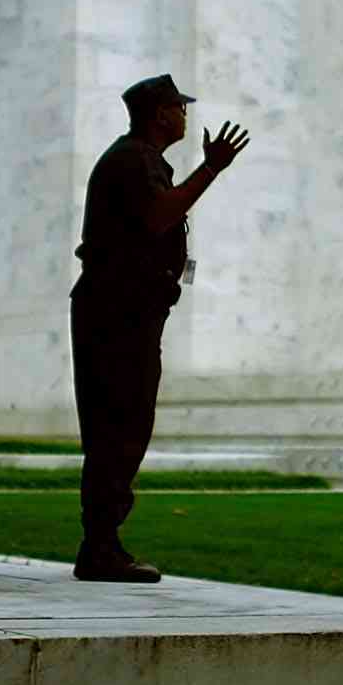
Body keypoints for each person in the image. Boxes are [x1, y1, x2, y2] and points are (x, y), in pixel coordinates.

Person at [69, 72, 248, 582]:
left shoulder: (142, 160)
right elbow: (158, 217)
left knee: (123, 425)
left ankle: (101, 542)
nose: (185, 115)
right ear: (158, 114)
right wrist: (211, 169)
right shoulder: (133, 160)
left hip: (126, 310)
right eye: (178, 107)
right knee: (119, 426)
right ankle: (99, 546)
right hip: (117, 311)